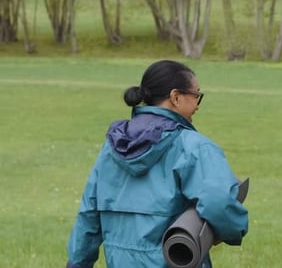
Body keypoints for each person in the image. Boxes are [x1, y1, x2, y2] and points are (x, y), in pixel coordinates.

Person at [66, 60, 248, 268]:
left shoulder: (112, 147)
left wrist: (78, 262)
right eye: (196, 95)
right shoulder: (193, 146)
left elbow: (89, 212)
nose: (197, 105)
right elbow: (219, 201)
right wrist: (233, 230)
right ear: (175, 97)